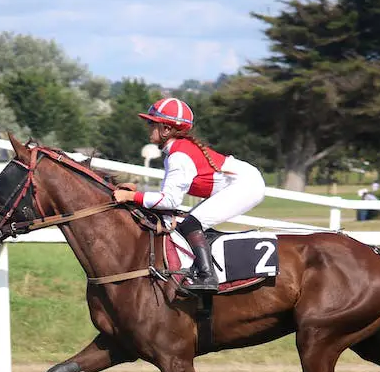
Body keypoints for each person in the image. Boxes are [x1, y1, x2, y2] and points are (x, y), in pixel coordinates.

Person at [113, 97, 266, 292]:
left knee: (192, 224)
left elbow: (169, 200)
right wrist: (139, 194)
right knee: (187, 224)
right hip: (243, 181)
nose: (148, 127)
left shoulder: (179, 157)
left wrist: (131, 197)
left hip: (246, 185)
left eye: (152, 123)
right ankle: (204, 269)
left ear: (166, 129)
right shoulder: (176, 152)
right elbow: (167, 197)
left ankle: (207, 276)